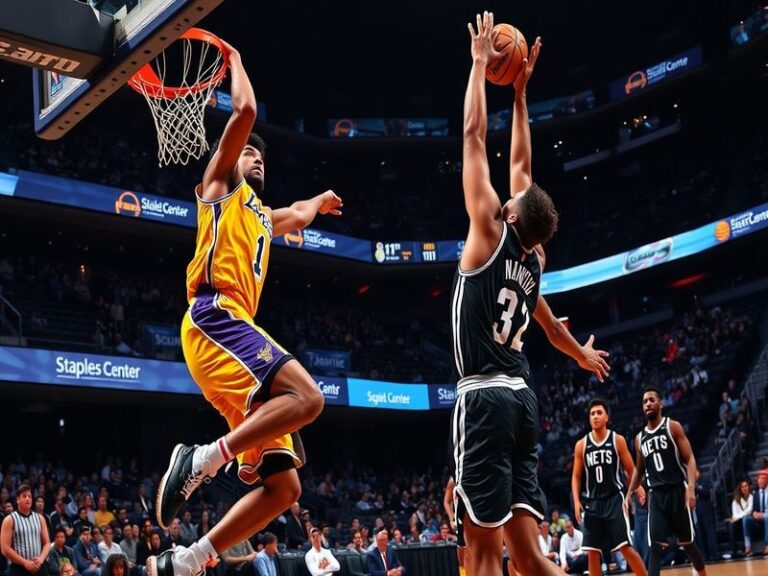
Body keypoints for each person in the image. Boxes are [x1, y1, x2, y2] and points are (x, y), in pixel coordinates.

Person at [148, 38, 343, 576]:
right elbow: (246, 111)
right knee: (308, 397)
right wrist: (234, 61)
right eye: (250, 153)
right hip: (214, 316)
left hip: (233, 334)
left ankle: (188, 559)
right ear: (231, 159)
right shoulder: (219, 187)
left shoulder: (261, 214)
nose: (258, 158)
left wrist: (319, 202)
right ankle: (203, 459)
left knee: (285, 489)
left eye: (263, 156)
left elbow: (297, 214)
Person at [452, 12, 610, 576]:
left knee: (482, 556)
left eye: (514, 198)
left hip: (484, 399)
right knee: (530, 558)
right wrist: (519, 96)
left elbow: (474, 137)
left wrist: (478, 65)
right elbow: (521, 165)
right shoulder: (535, 261)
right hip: (523, 401)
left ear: (513, 215)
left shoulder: (488, 232)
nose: (510, 192)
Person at [625, 387, 708, 576]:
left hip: (677, 491)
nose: (647, 404)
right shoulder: (639, 439)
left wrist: (691, 488)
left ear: (660, 404)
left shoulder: (672, 427)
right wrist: (629, 493)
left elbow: (690, 458)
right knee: (654, 546)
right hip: (656, 496)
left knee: (688, 544)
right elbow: (639, 469)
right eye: (644, 402)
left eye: (651, 400)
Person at [571, 398, 647, 576]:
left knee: (625, 547)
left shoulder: (617, 440)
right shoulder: (581, 445)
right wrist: (576, 501)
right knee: (592, 552)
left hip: (614, 500)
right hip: (592, 503)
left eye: (599, 413)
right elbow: (576, 476)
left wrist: (639, 488)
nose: (595, 416)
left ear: (607, 417)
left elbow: (630, 469)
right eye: (592, 414)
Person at [0, 484, 52, 576]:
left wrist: (41, 558)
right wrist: (25, 562)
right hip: (19, 568)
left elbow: (47, 543)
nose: (28, 498)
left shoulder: (40, 518)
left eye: (29, 496)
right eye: (24, 496)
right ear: (18, 500)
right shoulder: (9, 520)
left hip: (39, 565)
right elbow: (4, 548)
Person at [443, 477, 467, 576]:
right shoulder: (454, 479)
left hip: (479, 517)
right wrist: (452, 518)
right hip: (462, 519)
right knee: (463, 558)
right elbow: (446, 501)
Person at [744, 471, 768, 556]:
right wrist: (754, 513)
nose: (760, 481)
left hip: (767, 517)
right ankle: (747, 546)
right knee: (746, 519)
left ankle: (767, 545)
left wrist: (763, 515)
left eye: (762, 479)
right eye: (759, 479)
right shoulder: (755, 493)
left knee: (767, 517)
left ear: (767, 480)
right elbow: (753, 509)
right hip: (758, 518)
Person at [728, 479, 752, 557]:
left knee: (745, 519)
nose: (744, 488)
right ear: (740, 488)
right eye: (742, 487)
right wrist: (738, 517)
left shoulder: (751, 497)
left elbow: (749, 511)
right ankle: (734, 550)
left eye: (746, 486)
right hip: (739, 521)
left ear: (748, 487)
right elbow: (734, 514)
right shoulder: (736, 500)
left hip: (750, 520)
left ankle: (746, 547)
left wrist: (739, 516)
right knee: (731, 524)